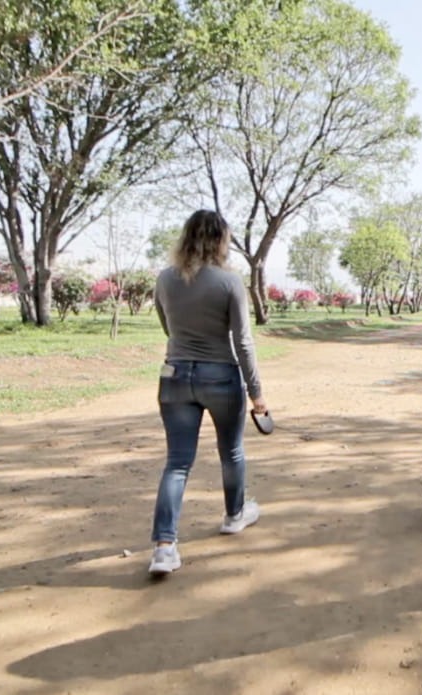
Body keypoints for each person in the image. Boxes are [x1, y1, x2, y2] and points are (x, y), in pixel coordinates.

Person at [147, 209, 268, 576]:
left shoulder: (165, 279)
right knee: (231, 451)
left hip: (174, 375)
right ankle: (234, 515)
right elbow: (243, 342)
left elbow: (167, 326)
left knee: (177, 463)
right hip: (220, 377)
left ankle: (164, 548)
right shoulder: (228, 283)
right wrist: (257, 393)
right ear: (221, 240)